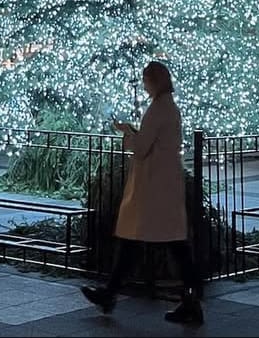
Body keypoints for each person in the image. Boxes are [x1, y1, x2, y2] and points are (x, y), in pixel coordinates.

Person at [80, 61, 202, 326]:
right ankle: (189, 300)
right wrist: (135, 133)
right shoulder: (168, 107)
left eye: (146, 80)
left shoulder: (159, 109)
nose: (144, 85)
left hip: (154, 188)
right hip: (162, 186)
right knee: (162, 242)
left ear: (154, 81)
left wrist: (127, 135)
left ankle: (112, 294)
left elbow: (143, 147)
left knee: (142, 240)